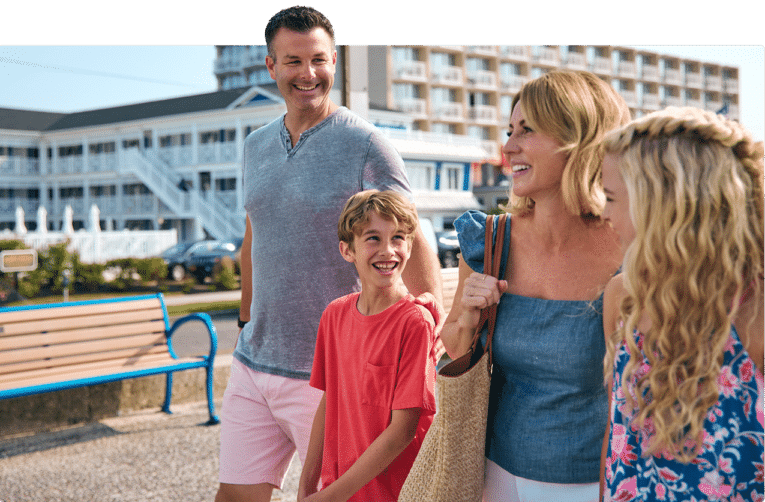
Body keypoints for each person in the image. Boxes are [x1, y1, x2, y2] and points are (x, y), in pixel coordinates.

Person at [215, 7, 442, 502]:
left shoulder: (366, 144)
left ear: (334, 62)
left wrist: (427, 332)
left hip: (332, 374)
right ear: (271, 66)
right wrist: (245, 321)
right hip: (255, 361)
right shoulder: (255, 145)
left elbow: (411, 234)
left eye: (318, 60)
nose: (307, 74)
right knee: (233, 496)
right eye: (293, 61)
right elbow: (254, 234)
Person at [440, 70, 631, 502]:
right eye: (509, 131)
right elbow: (453, 348)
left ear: (579, 138)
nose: (509, 147)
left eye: (527, 131)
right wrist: (469, 317)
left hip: (597, 485)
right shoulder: (489, 241)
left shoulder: (628, 245)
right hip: (495, 479)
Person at [599, 106, 764, 501]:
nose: (604, 214)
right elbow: (615, 438)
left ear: (663, 210)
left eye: (611, 198)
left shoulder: (754, 314)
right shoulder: (622, 299)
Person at [298, 190, 438, 502]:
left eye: (398, 238)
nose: (388, 251)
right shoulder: (334, 315)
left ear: (410, 246)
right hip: (339, 488)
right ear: (347, 250)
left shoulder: (415, 323)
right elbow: (328, 402)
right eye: (373, 238)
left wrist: (330, 497)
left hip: (394, 493)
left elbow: (403, 431)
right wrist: (307, 486)